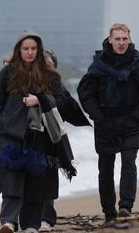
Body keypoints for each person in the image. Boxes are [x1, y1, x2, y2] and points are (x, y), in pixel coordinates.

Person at [0, 31, 77, 233]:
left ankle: (30, 225)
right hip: (9, 134)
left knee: (35, 181)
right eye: (25, 48)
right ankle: (9, 222)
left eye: (33, 48)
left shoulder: (49, 74)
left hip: (40, 135)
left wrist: (40, 100)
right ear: (19, 50)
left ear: (38, 50)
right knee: (11, 177)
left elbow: (63, 101)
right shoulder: (7, 73)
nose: (29, 52)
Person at [77, 23, 139, 225]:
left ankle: (126, 207)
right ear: (110, 40)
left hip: (130, 122)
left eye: (125, 39)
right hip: (105, 122)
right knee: (105, 169)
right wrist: (97, 116)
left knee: (129, 163)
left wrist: (135, 115)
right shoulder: (98, 64)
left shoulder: (138, 62)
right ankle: (109, 213)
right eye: (117, 39)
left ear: (129, 39)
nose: (121, 43)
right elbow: (86, 93)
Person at [39, 50, 91, 232]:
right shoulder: (26, 80)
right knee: (29, 178)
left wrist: (44, 101)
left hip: (52, 139)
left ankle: (46, 219)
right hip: (30, 138)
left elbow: (62, 104)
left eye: (48, 62)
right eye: (42, 61)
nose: (45, 65)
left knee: (49, 177)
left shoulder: (56, 83)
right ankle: (30, 217)